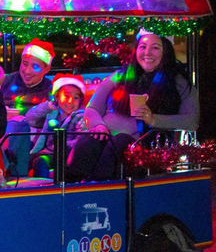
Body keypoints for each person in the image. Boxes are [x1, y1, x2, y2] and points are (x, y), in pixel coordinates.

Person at [65, 31, 199, 181]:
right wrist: (98, 125)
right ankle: (70, 188)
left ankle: (102, 190)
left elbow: (192, 121)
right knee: (90, 141)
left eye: (155, 48)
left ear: (165, 51)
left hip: (148, 145)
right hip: (108, 136)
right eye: (142, 47)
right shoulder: (120, 77)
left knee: (120, 141)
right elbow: (93, 108)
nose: (147, 53)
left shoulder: (178, 82)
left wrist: (154, 119)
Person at [0, 38, 55, 176]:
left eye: (35, 66)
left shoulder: (52, 90)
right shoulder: (5, 81)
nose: (27, 71)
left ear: (47, 69)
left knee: (19, 123)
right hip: (0, 138)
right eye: (24, 64)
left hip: (31, 146)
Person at [25, 73, 87, 178]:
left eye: (75, 98)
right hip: (50, 152)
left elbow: (80, 142)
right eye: (66, 96)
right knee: (27, 157)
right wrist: (49, 106)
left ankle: (46, 191)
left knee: (41, 161)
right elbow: (29, 117)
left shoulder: (80, 116)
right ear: (57, 97)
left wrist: (58, 146)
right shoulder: (53, 113)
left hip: (66, 156)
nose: (70, 101)